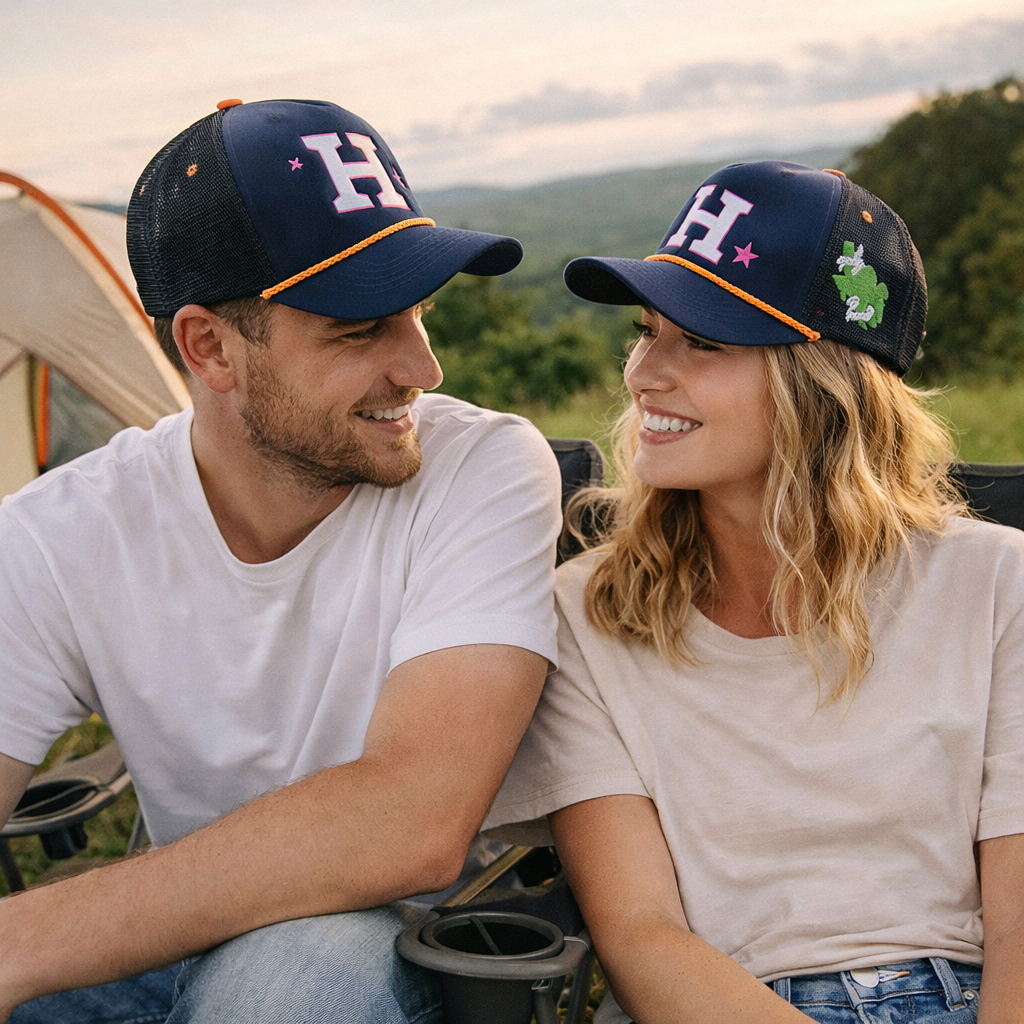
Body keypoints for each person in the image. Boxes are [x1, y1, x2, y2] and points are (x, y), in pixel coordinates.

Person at [0, 98, 563, 1023]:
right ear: (209, 348)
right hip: (175, 930)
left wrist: (19, 943)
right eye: (360, 328)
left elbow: (412, 822)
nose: (424, 368)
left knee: (278, 995)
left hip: (406, 938)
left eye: (418, 312)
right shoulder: (60, 535)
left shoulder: (482, 467)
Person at [483, 161, 1024, 1023]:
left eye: (702, 342)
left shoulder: (997, 584)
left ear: (823, 384)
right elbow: (640, 934)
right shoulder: (589, 615)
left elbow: (1018, 930)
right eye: (646, 332)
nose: (644, 373)